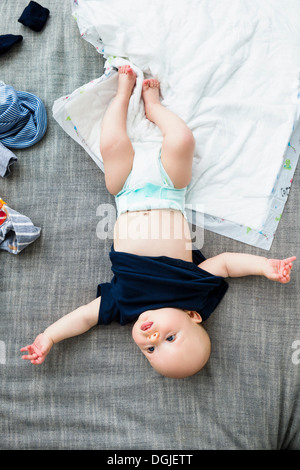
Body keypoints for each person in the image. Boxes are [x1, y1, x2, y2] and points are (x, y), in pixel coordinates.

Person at [21, 66, 296, 378]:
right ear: (193, 316)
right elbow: (227, 264)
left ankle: (123, 95)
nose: (152, 338)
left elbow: (85, 317)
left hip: (124, 193)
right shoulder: (191, 293)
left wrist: (50, 336)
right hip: (170, 191)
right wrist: (263, 266)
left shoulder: (123, 306)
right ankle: (154, 107)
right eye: (170, 338)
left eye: (150, 350)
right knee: (181, 140)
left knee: (112, 144)